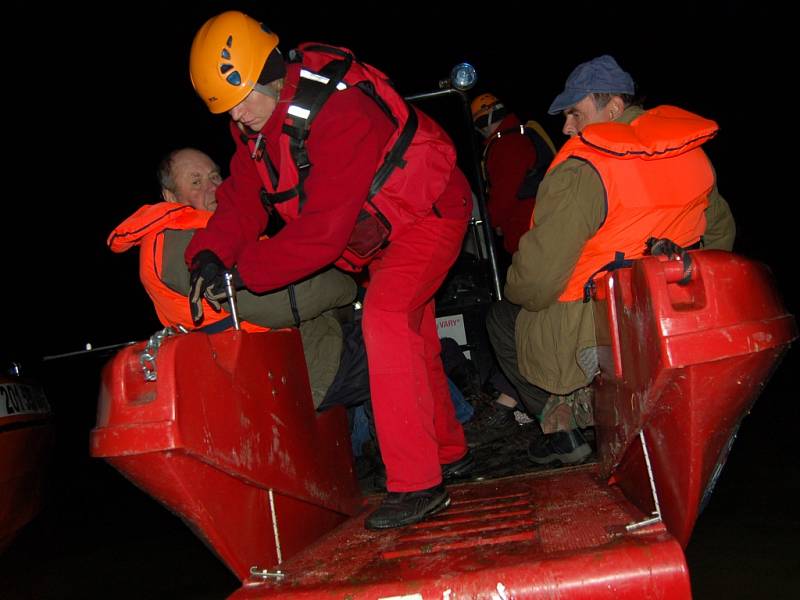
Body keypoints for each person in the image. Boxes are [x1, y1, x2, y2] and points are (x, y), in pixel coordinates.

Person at [183, 11, 474, 529]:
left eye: (240, 99)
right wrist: (210, 252)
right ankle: (450, 450)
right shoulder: (253, 125)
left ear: (267, 73)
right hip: (381, 233)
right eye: (225, 107)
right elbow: (243, 197)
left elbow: (322, 235)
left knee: (384, 319)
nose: (237, 115)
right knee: (412, 332)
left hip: (429, 213)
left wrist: (247, 269)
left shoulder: (339, 111)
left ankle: (417, 484)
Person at [484, 55, 736, 465]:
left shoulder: (584, 167)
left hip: (600, 325)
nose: (566, 127)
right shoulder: (690, 153)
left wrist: (517, 288)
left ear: (613, 109)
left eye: (574, 113)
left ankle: (564, 421)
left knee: (501, 317)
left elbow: (538, 281)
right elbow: (720, 237)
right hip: (670, 313)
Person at [108, 147, 357, 406]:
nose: (213, 188)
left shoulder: (217, 231)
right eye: (196, 182)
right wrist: (352, 286)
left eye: (215, 177)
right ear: (170, 197)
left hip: (293, 351)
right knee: (390, 350)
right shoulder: (177, 245)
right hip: (287, 367)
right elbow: (285, 300)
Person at [471, 93, 556, 258]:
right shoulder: (516, 136)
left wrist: (489, 222)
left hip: (531, 238)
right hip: (537, 232)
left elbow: (504, 195)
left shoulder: (507, 144)